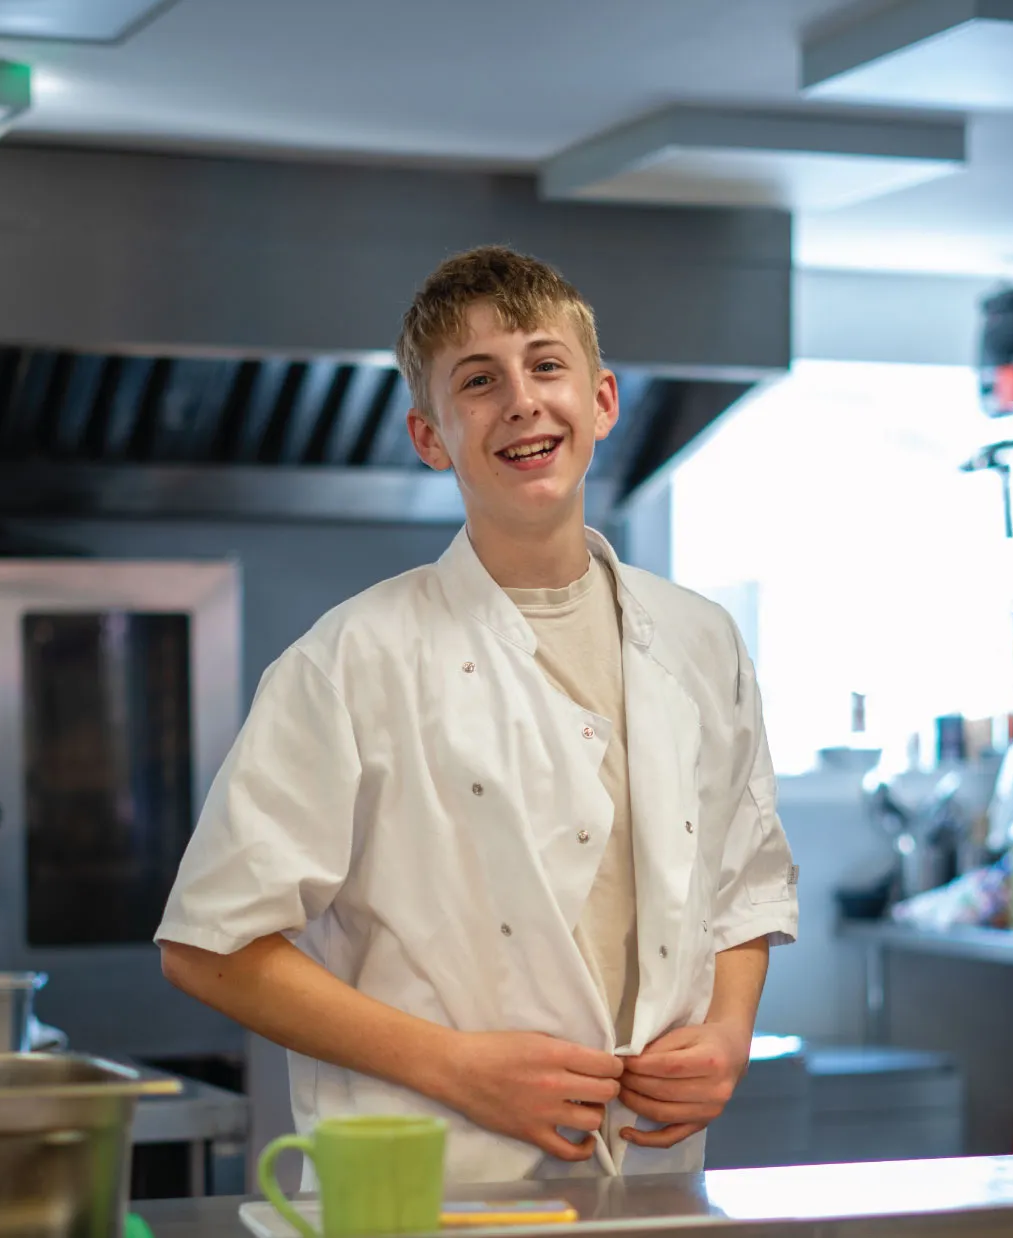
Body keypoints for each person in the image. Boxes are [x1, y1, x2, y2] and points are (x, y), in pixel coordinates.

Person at [156, 245, 798, 1185]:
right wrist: (457, 1068)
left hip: (650, 1184)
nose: (522, 402)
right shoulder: (350, 658)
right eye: (478, 381)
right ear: (430, 435)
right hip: (429, 1183)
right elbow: (209, 946)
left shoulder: (699, 639)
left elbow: (744, 887)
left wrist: (729, 1035)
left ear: (604, 400)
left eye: (546, 365)